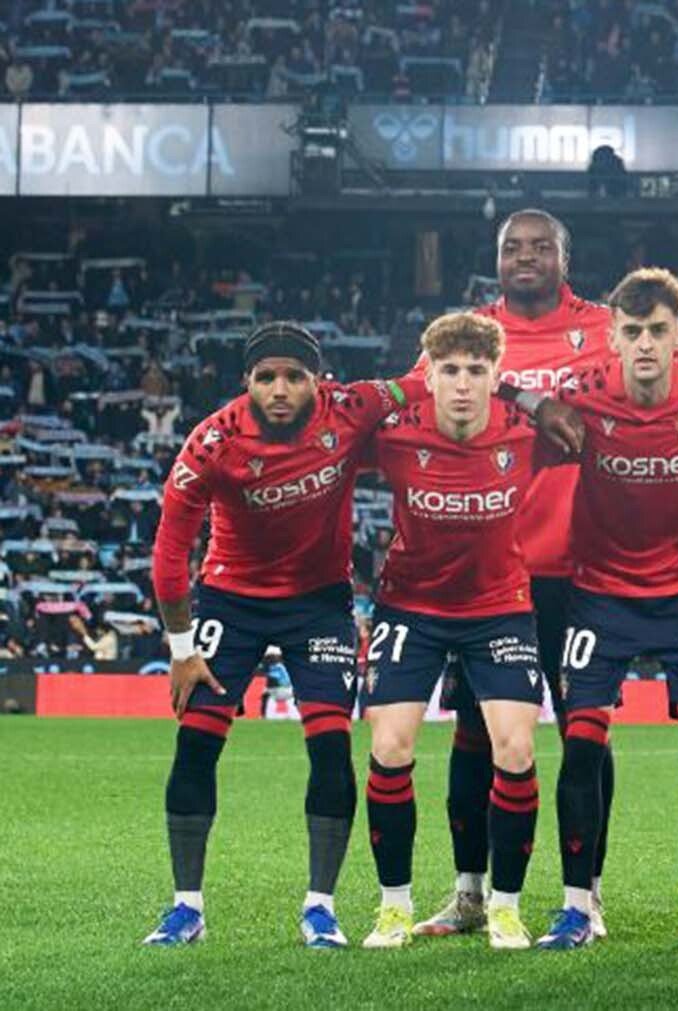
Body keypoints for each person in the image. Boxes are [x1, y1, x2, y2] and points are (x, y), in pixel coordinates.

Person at [145, 322, 423, 948]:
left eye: (294, 376)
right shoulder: (212, 442)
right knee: (195, 744)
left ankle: (321, 908)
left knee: (330, 748)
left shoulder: (352, 407)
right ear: (246, 381)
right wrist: (183, 651)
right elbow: (169, 554)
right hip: (231, 600)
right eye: (265, 377)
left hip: (319, 604)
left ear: (316, 381)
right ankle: (186, 908)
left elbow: (420, 382)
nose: (279, 389)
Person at [534, 268, 678, 951]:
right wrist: (528, 402)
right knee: (580, 747)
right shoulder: (578, 393)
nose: (647, 343)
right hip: (600, 595)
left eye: (659, 330)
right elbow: (513, 434)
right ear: (613, 337)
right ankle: (578, 906)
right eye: (633, 331)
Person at [418, 209, 616, 940]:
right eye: (512, 247)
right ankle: (470, 894)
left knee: (585, 736)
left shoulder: (605, 329)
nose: (525, 256)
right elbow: (419, 397)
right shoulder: (468, 336)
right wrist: (526, 397)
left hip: (585, 568)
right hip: (491, 572)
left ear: (566, 258)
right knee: (475, 733)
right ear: (496, 259)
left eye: (540, 247)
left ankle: (585, 896)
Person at [357, 312, 569, 950]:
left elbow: (586, 432)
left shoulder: (525, 434)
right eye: (449, 370)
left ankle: (504, 907)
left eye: (477, 371)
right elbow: (332, 430)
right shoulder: (395, 435)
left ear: (495, 376)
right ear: (429, 374)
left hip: (499, 607)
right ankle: (393, 908)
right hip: (410, 607)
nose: (462, 383)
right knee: (390, 748)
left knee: (516, 751)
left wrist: (523, 396)